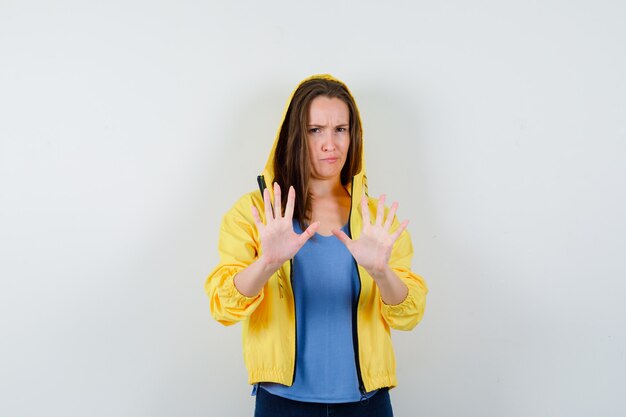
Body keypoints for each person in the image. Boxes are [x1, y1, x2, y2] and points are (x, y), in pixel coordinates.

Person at [205, 74, 428, 417]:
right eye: (316, 130)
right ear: (295, 135)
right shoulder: (257, 214)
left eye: (341, 129)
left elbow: (408, 314)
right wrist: (267, 262)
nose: (331, 143)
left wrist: (381, 272)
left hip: (366, 404)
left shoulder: (376, 221)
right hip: (282, 404)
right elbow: (222, 305)